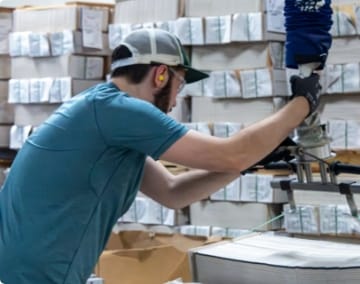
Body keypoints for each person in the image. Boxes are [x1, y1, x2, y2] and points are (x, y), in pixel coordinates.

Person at [0, 28, 321, 284]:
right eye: (179, 85)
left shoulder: (102, 113)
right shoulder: (119, 111)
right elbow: (231, 154)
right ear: (161, 76)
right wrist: (302, 103)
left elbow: (173, 192)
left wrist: (254, 160)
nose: (175, 102)